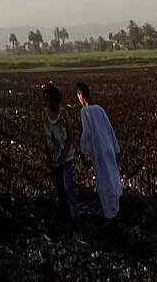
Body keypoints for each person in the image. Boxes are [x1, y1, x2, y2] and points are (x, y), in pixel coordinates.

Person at [76, 81, 122, 219]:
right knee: (112, 176)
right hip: (108, 147)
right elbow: (109, 129)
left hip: (98, 150)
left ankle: (109, 212)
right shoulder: (100, 109)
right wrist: (116, 148)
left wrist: (84, 152)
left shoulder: (85, 111)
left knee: (103, 180)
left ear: (80, 95)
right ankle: (116, 204)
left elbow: (87, 133)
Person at [40, 82, 78, 220]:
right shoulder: (45, 114)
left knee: (68, 188)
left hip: (66, 156)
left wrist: (65, 153)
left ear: (56, 98)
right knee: (60, 189)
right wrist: (48, 155)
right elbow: (45, 136)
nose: (48, 102)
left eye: (49, 99)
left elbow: (70, 134)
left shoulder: (63, 113)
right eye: (45, 99)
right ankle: (64, 216)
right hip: (54, 156)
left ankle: (74, 217)